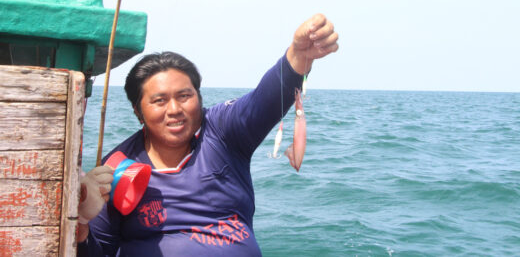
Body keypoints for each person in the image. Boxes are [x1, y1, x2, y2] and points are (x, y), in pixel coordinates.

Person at [77, 13, 339, 256]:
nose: (175, 110)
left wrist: (297, 56)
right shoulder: (118, 168)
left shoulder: (222, 132)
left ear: (199, 98)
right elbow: (99, 250)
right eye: (159, 101)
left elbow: (264, 102)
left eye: (185, 96)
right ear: (138, 111)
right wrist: (81, 230)